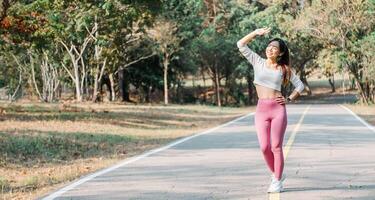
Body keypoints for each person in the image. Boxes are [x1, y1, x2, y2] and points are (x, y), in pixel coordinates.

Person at [237, 27, 305, 193]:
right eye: (269, 46)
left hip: (277, 109)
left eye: (275, 48)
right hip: (261, 109)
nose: (270, 49)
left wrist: (289, 99)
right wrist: (255, 33)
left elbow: (300, 86)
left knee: (276, 146)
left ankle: (276, 180)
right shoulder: (257, 61)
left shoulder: (284, 69)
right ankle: (277, 174)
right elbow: (240, 44)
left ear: (280, 53)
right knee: (264, 147)